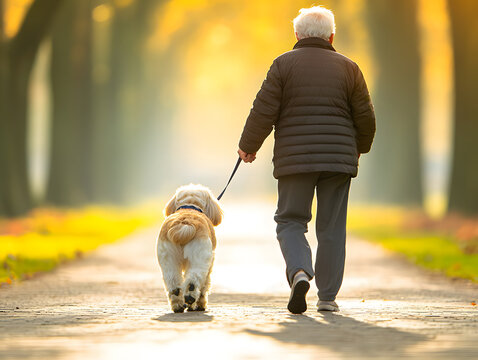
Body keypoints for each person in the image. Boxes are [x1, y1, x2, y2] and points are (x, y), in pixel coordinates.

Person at [237, 6, 376, 314]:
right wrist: (359, 148)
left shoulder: (283, 65)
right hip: (338, 160)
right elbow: (365, 116)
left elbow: (263, 110)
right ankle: (327, 298)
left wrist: (248, 146)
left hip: (294, 159)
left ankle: (299, 271)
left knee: (290, 220)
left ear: (297, 35)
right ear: (331, 36)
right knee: (332, 228)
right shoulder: (349, 67)